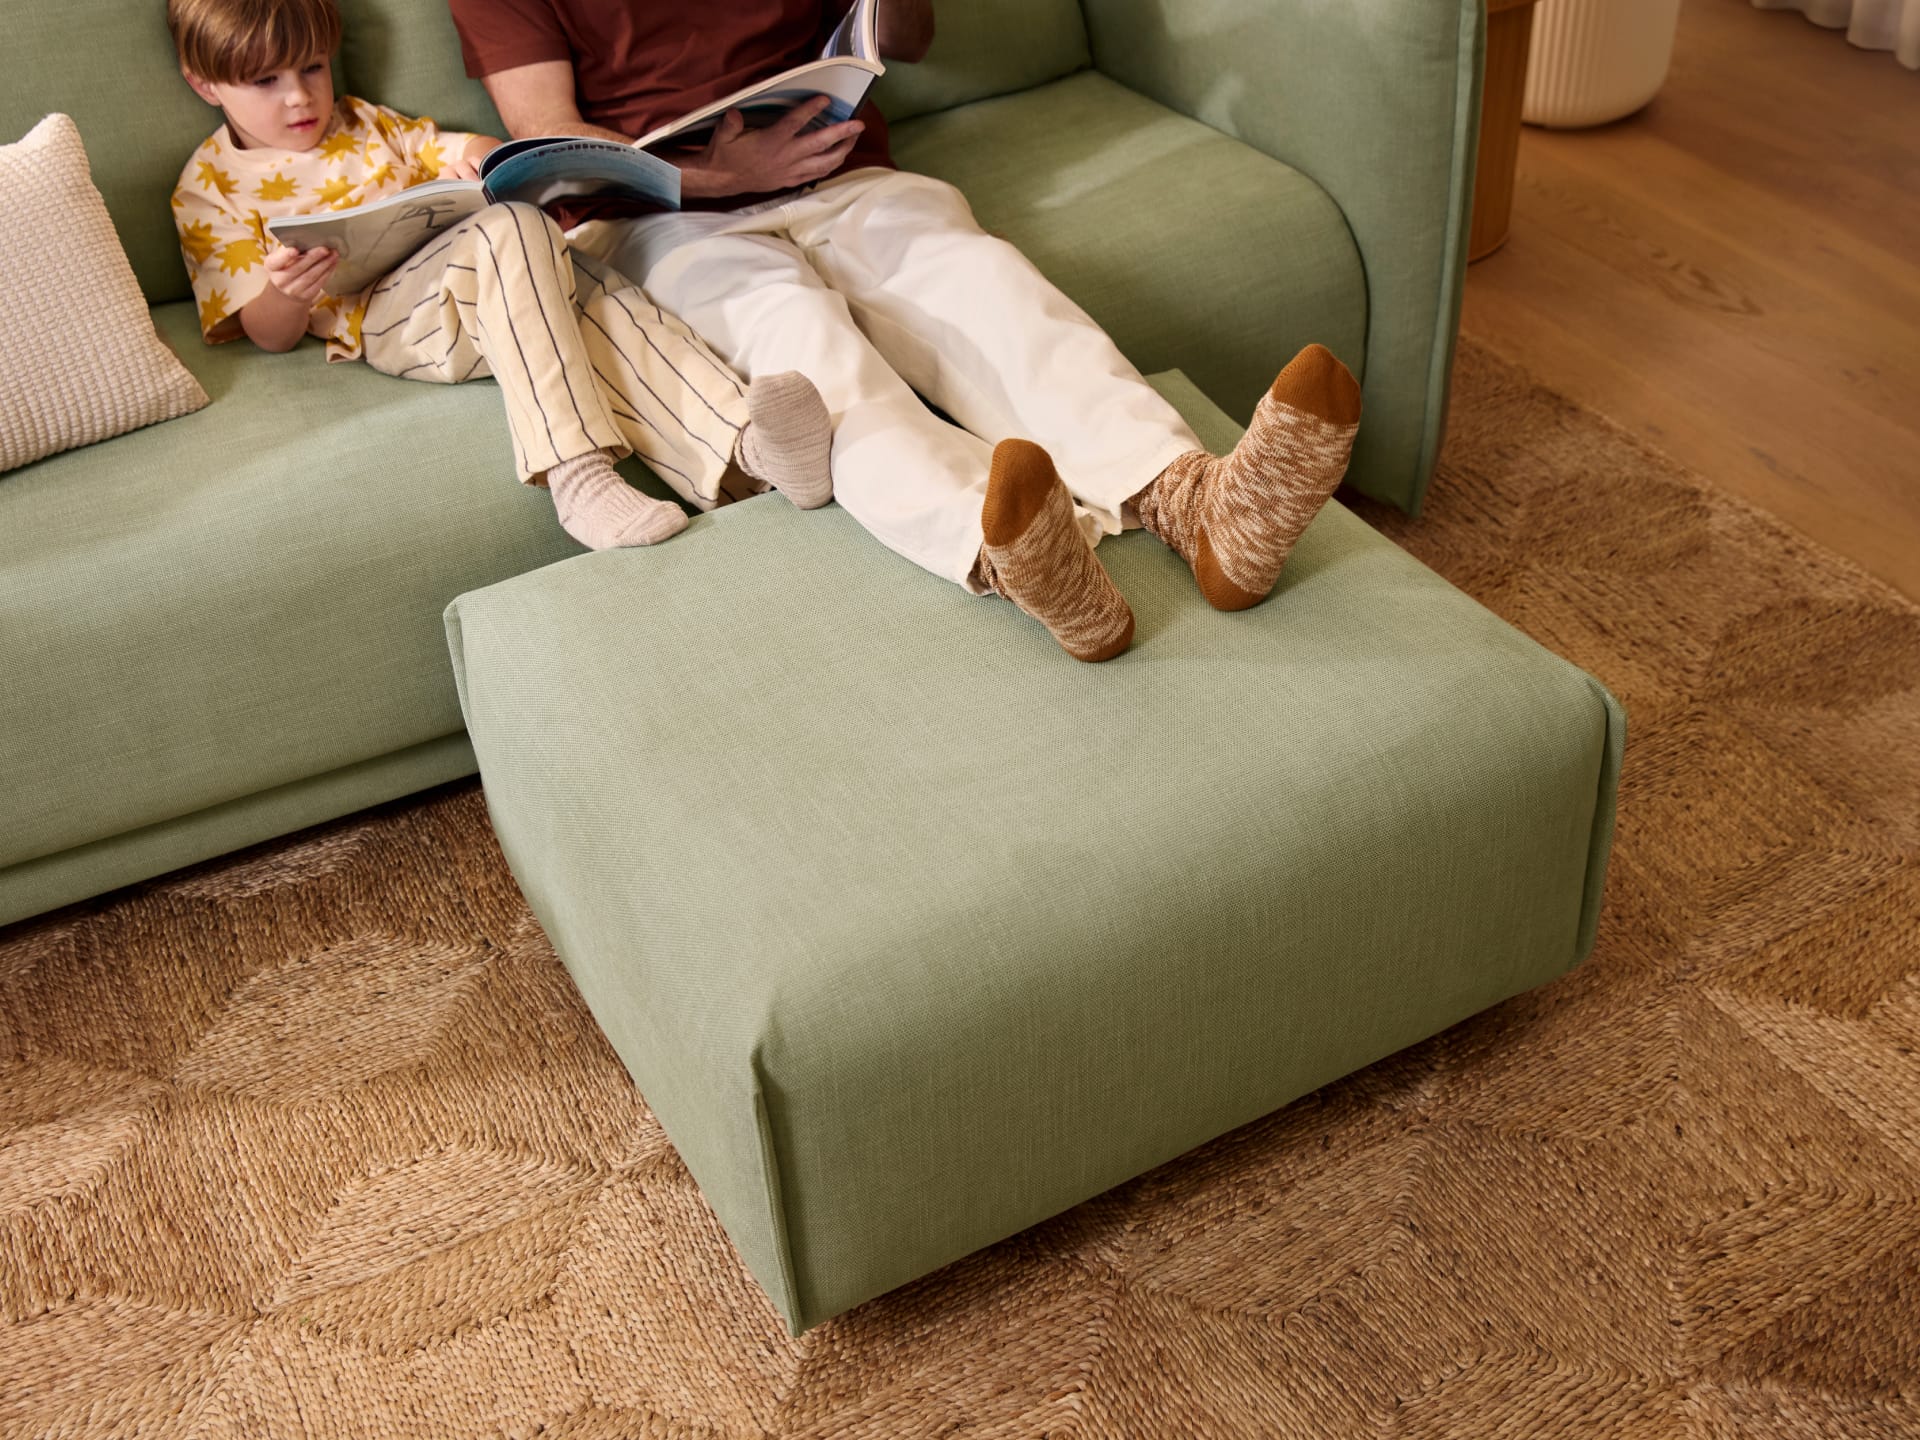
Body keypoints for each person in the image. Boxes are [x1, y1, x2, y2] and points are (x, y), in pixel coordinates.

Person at [450, 0, 1363, 661]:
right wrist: (713, 174)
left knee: (989, 290)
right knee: (812, 363)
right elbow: (548, 138)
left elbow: (908, 34)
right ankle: (1012, 558)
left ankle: (1196, 504)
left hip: (843, 170)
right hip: (664, 218)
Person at [165, 0, 835, 551]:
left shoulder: (362, 123)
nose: (299, 97)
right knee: (518, 231)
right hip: (384, 321)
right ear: (203, 83)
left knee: (588, 291)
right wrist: (287, 292)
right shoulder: (208, 187)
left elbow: (470, 150)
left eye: (312, 68)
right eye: (264, 83)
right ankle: (575, 475)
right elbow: (267, 334)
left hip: (477, 280)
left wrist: (480, 164)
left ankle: (751, 458)